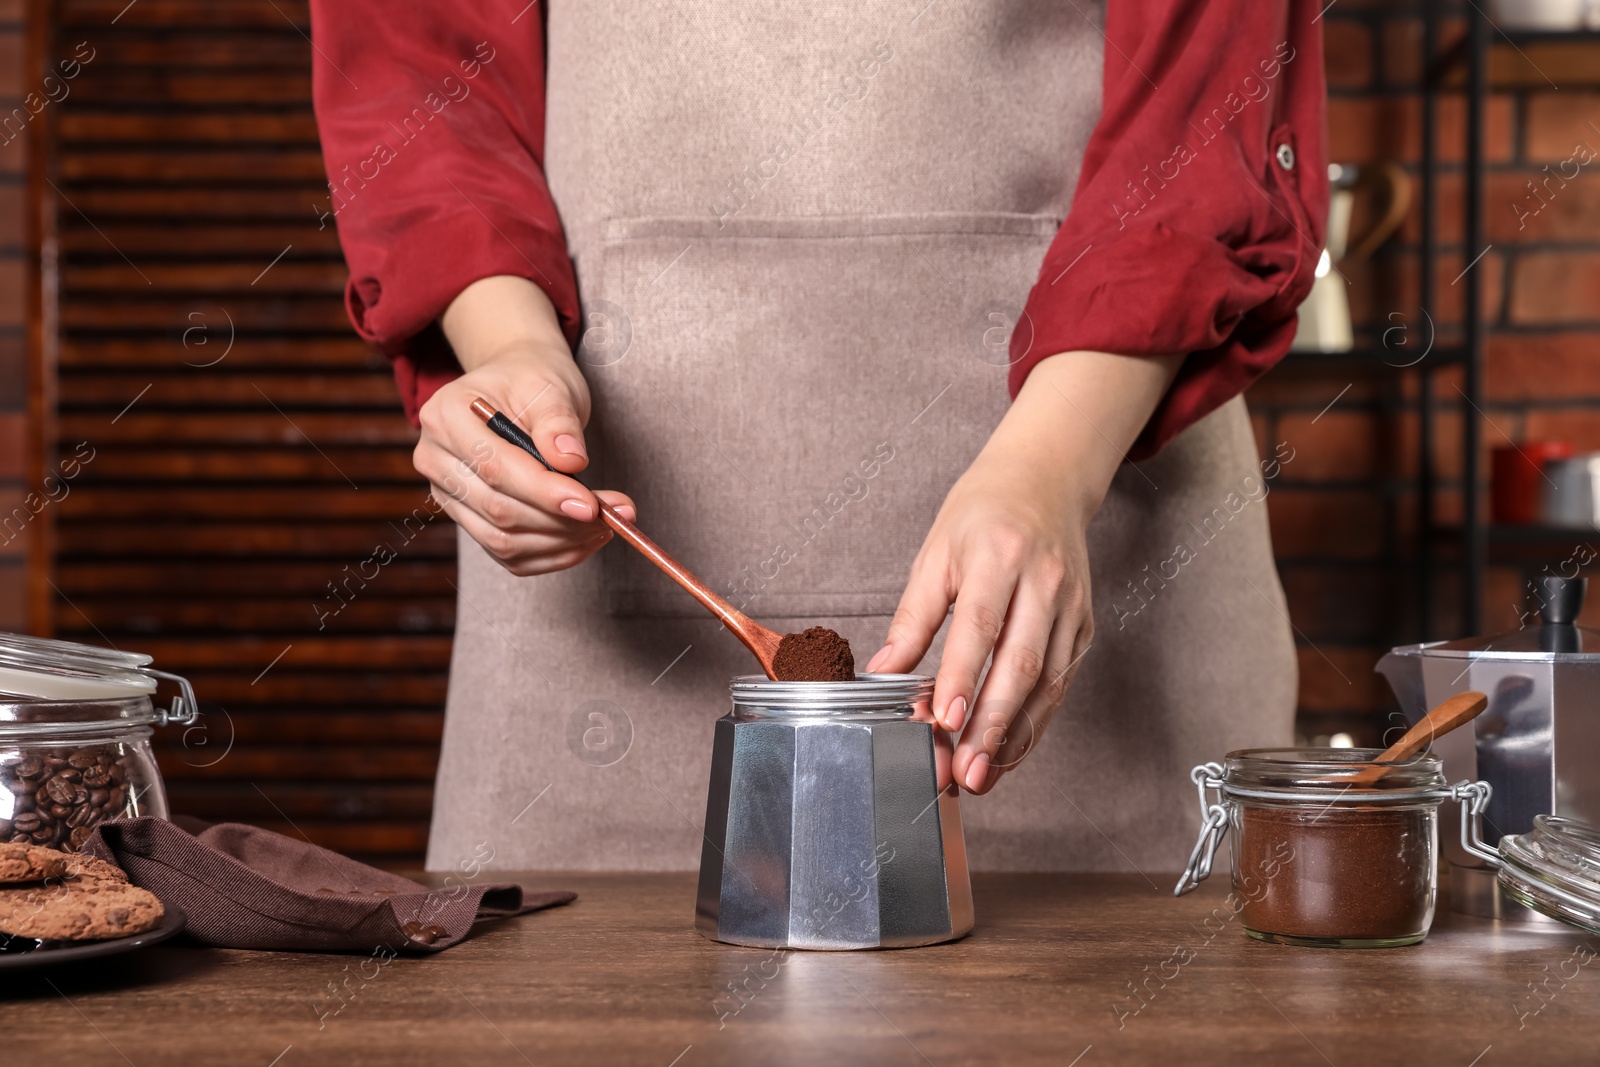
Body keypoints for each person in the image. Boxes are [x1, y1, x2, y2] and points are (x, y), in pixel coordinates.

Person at [309, 0, 1326, 872]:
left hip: (1115, 572)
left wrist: (1051, 465)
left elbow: (1208, 103)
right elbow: (419, 72)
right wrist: (512, 350)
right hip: (588, 683)